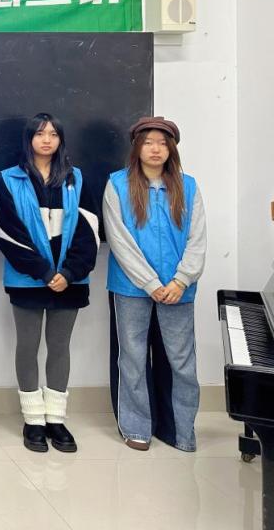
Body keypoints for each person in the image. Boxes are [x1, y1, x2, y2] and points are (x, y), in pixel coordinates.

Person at [0, 113, 99, 453]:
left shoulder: (76, 178)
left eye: (53, 133)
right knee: (27, 346)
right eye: (40, 134)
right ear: (29, 140)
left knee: (59, 346)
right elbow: (7, 232)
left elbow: (90, 229)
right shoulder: (7, 179)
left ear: (60, 139)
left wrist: (68, 273)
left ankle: (56, 419)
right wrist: (43, 272)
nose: (47, 140)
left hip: (70, 280)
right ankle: (33, 420)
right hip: (27, 279)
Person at [103, 116, 206, 452]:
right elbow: (118, 240)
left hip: (179, 289)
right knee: (132, 359)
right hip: (131, 288)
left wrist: (181, 279)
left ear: (172, 148)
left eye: (163, 143)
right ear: (137, 147)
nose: (156, 149)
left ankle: (181, 431)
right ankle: (136, 427)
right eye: (148, 142)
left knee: (182, 362)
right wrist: (149, 282)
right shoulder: (117, 185)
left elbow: (197, 238)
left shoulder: (188, 187)